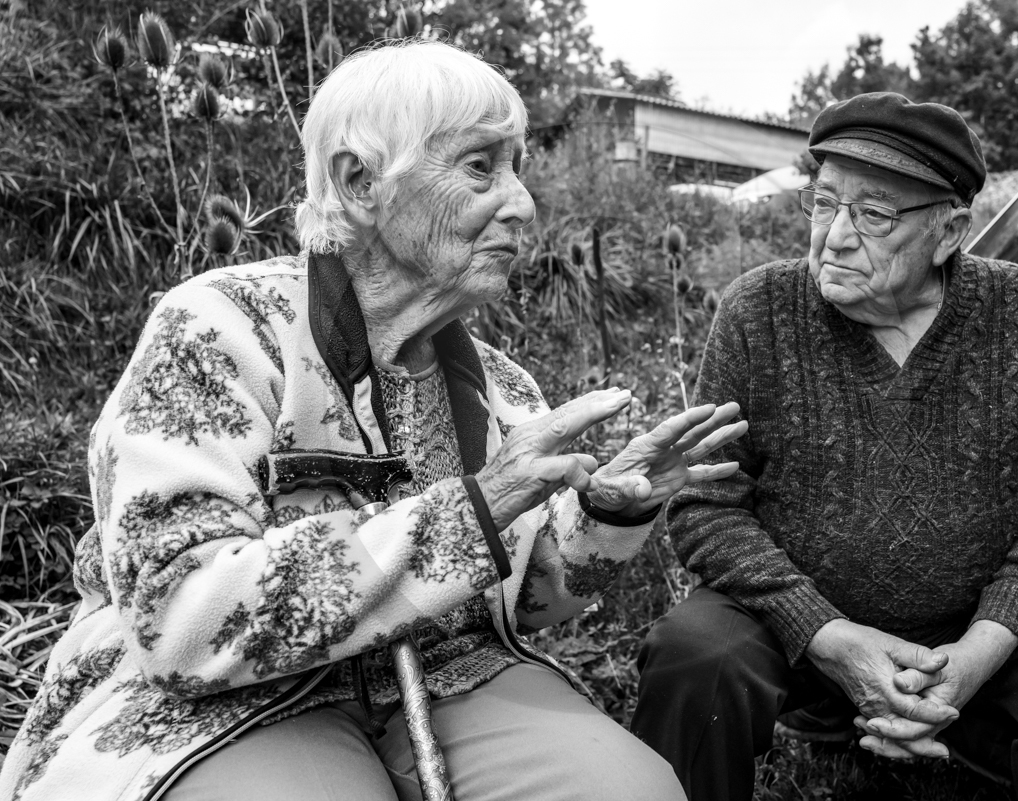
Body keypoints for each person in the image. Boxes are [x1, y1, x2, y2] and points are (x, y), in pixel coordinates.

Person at [0, 41, 748, 801]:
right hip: (228, 701)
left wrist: (604, 513)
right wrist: (473, 509)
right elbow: (180, 620)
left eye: (518, 166)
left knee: (634, 791)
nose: (523, 204)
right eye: (481, 167)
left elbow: (529, 603)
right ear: (358, 181)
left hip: (451, 676)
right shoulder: (219, 331)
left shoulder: (499, 384)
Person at [630, 92, 1018, 801]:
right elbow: (708, 506)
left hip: (987, 643)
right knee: (692, 655)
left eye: (874, 215)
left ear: (949, 232)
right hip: (799, 639)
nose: (835, 236)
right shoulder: (757, 309)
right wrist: (824, 631)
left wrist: (982, 647)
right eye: (824, 203)